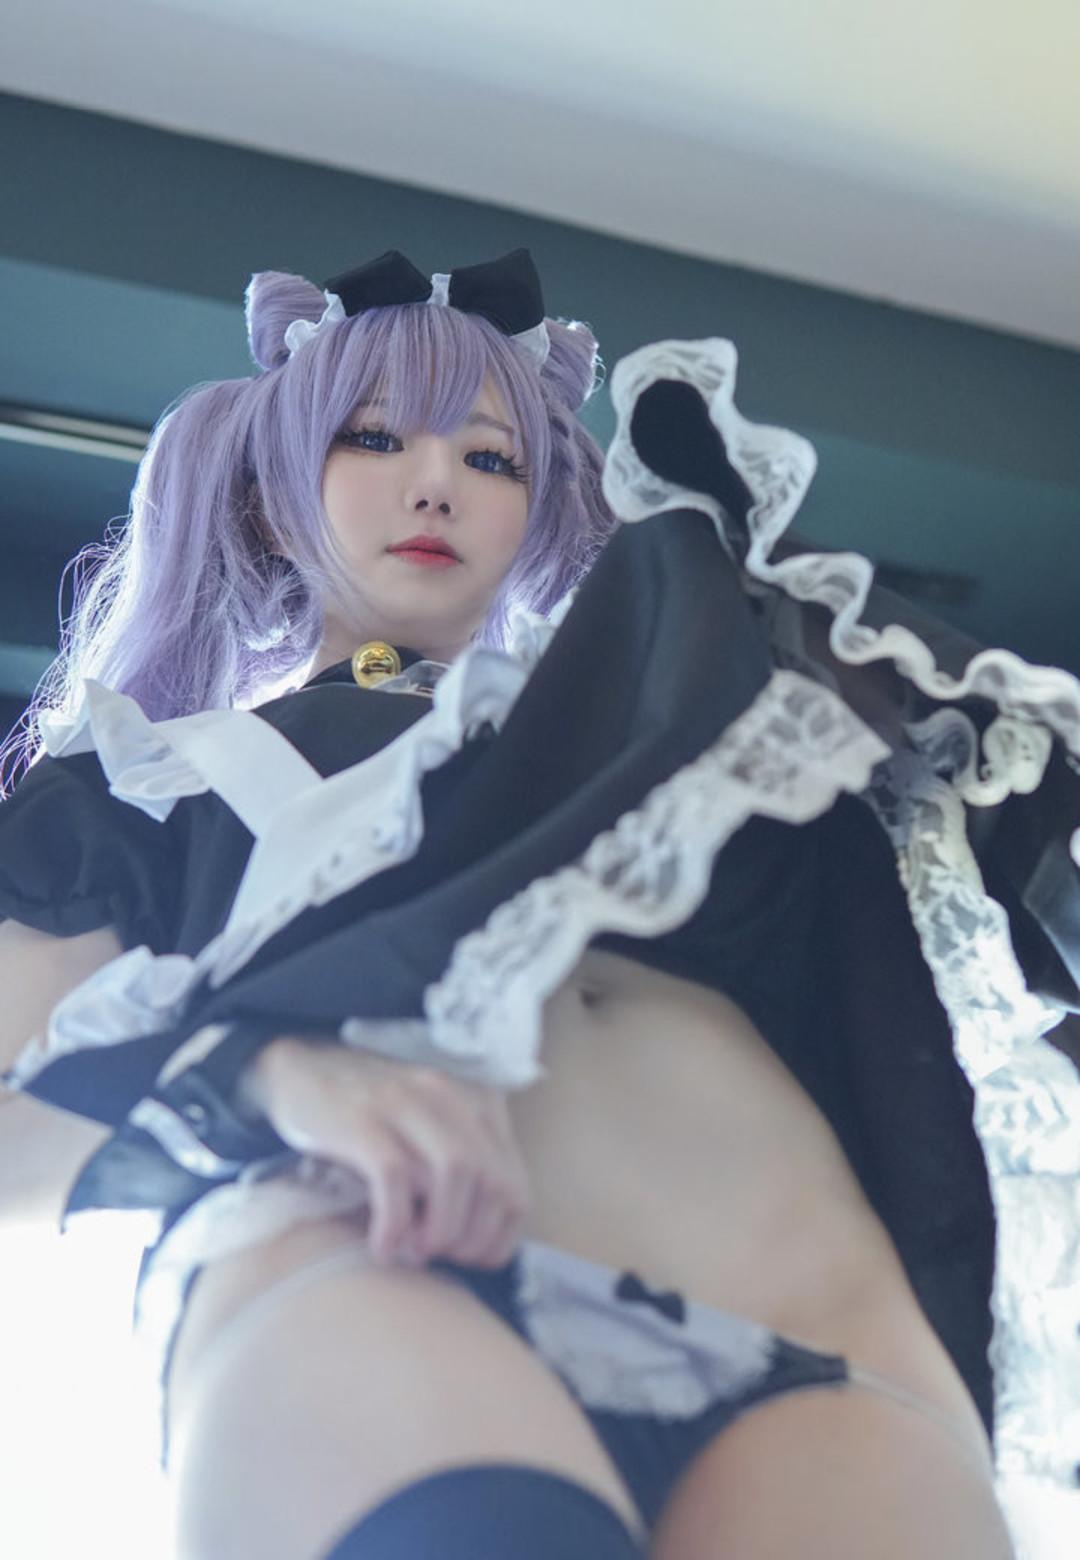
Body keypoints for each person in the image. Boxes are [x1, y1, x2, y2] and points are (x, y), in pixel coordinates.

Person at [0, 245, 1072, 1558]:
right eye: (374, 437)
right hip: (375, 1259)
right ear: (272, 497)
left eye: (490, 457)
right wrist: (264, 1077)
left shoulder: (689, 707)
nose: (436, 480)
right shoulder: (145, 785)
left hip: (805, 1292)